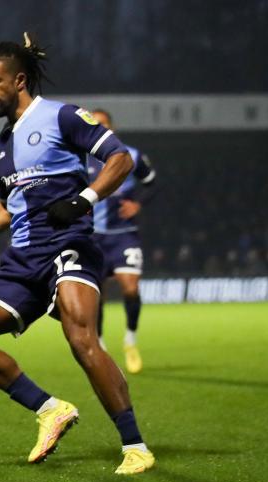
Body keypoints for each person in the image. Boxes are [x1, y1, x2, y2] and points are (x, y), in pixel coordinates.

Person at [0, 34, 154, 474]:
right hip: (23, 260)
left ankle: (135, 445)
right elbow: (8, 208)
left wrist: (84, 200)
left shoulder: (62, 116)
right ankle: (48, 408)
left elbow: (119, 159)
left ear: (19, 80)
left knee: (82, 338)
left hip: (70, 247)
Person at [87, 109, 157, 373]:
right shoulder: (79, 160)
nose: (100, 128)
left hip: (124, 235)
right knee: (97, 297)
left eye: (104, 124)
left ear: (113, 127)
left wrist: (138, 205)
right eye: (95, 124)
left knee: (130, 288)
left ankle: (130, 339)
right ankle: (101, 346)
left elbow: (152, 183)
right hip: (92, 237)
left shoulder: (131, 155)